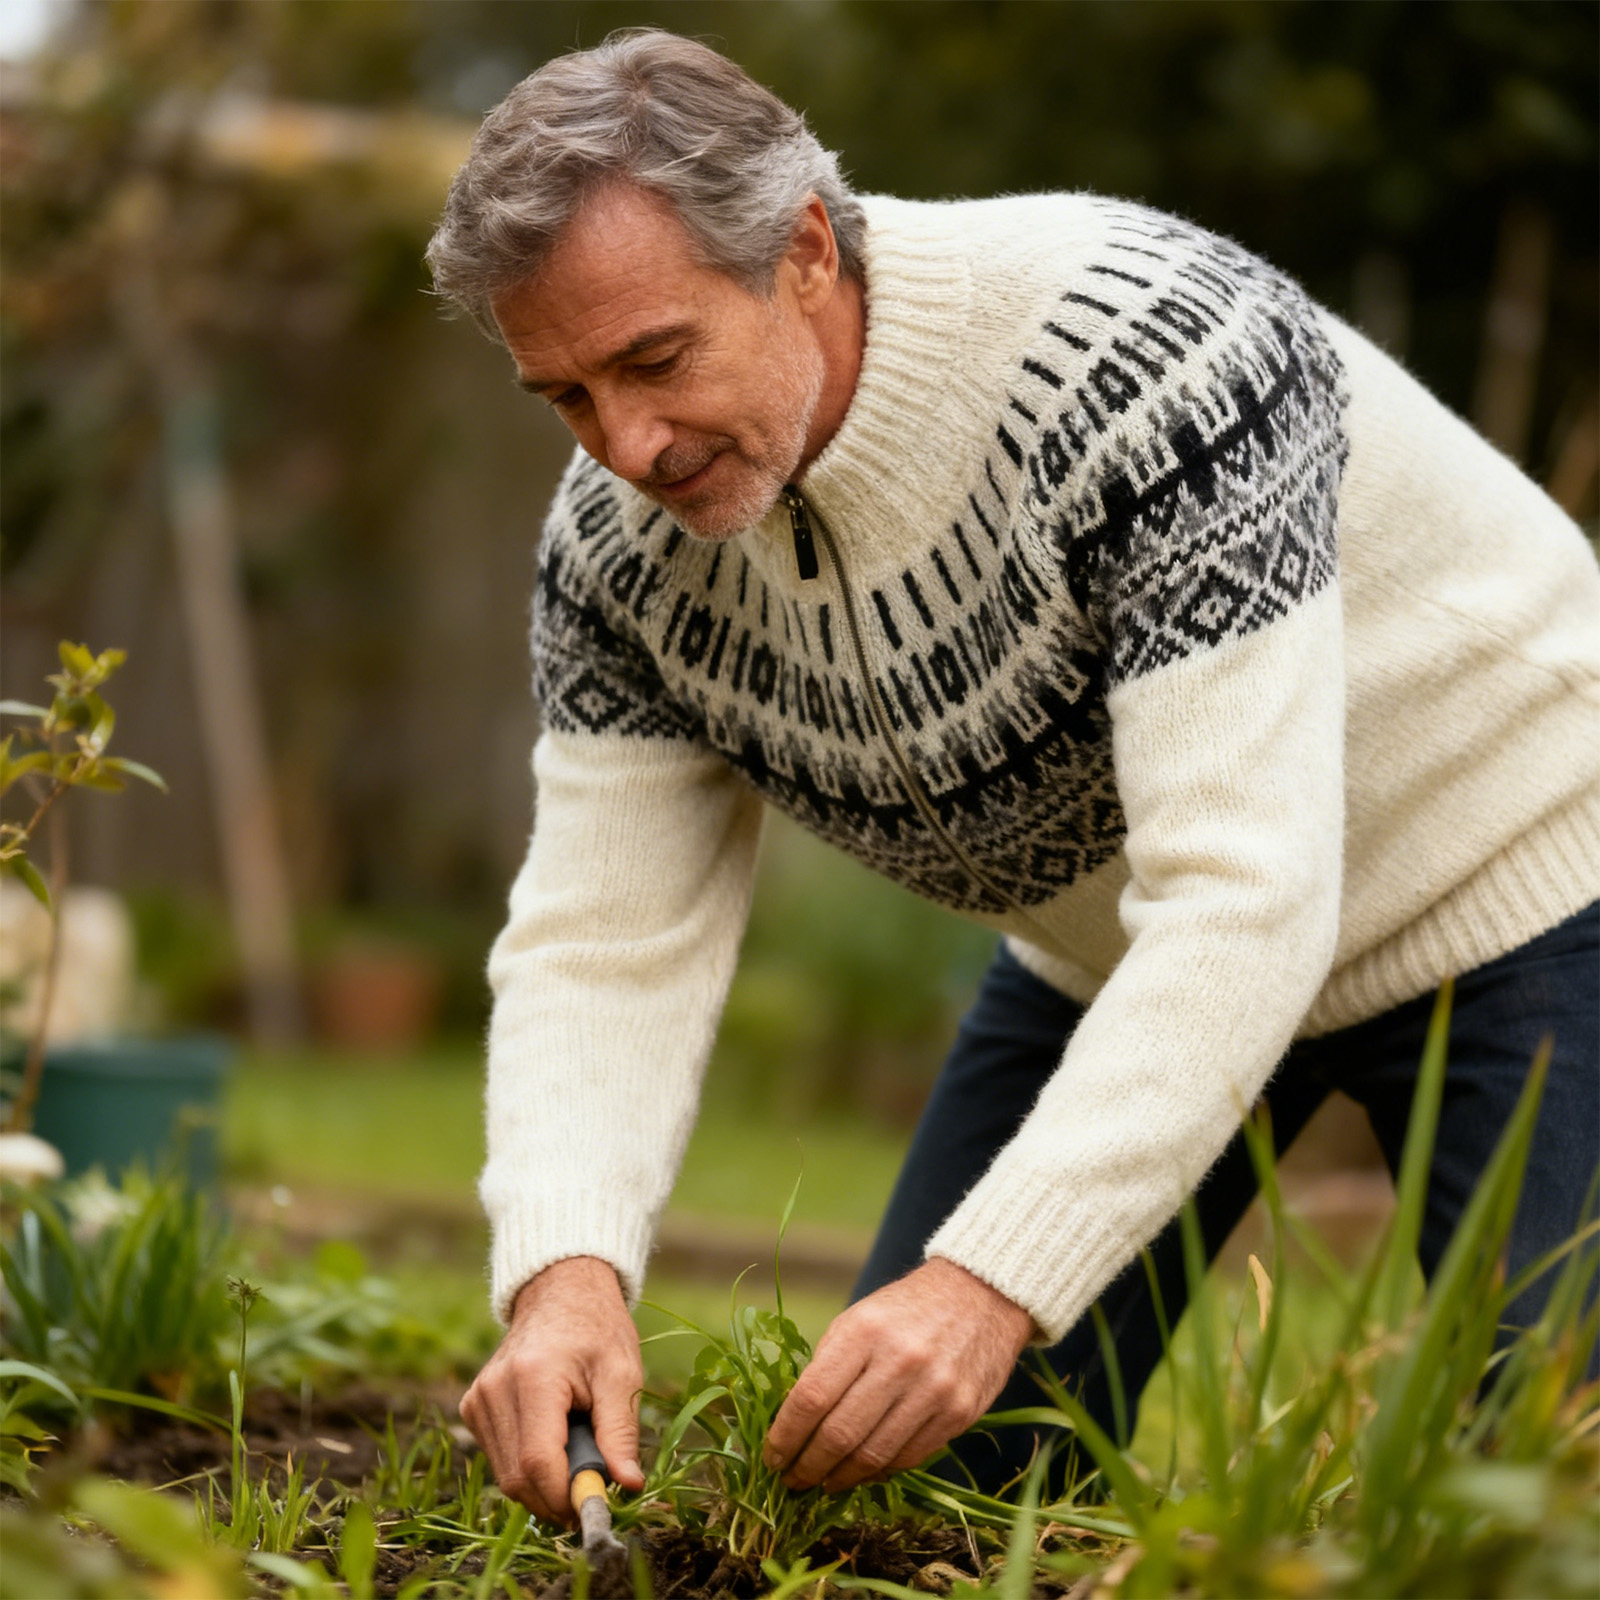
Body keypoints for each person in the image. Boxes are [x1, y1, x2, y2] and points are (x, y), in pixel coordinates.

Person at [424, 29, 1600, 1523]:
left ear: (801, 249)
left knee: (1550, 1497)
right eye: (569, 397)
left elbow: (1247, 891)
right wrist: (564, 1274)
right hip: (1123, 955)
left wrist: (988, 1286)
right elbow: (606, 939)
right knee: (916, 1502)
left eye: (656, 360)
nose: (627, 446)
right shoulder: (617, 556)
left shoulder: (1149, 362)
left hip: (1521, 877)